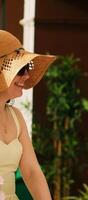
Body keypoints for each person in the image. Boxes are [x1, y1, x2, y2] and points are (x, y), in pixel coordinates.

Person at [0, 30, 56, 200]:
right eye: (21, 69)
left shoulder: (16, 116)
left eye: (28, 68)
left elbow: (32, 172)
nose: (27, 75)